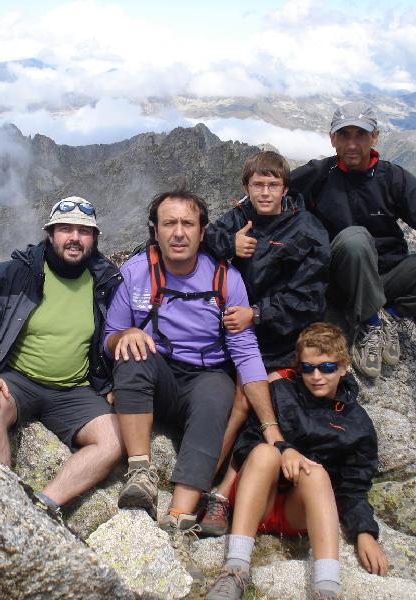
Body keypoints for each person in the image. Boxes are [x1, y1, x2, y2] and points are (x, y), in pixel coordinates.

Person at [104, 189, 282, 577]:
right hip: (158, 371)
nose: (179, 232)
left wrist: (270, 425)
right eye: (169, 223)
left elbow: (246, 353)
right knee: (133, 350)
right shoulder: (137, 272)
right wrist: (124, 337)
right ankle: (140, 473)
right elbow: (111, 334)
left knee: (217, 395)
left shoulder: (225, 279)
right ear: (155, 231)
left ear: (203, 232)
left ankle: (181, 513)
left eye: (188, 223)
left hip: (205, 374)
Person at [0, 197, 124, 517]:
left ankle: (41, 506)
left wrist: (114, 382)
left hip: (75, 389)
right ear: (50, 234)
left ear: (94, 239)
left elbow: (118, 335)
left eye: (84, 231)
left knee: (114, 439)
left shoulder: (106, 284)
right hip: (16, 378)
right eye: (66, 229)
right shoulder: (14, 274)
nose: (75, 238)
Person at [291, 101, 416, 378]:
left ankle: (389, 319)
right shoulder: (317, 176)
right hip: (340, 282)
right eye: (344, 135)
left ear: (374, 137)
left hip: (386, 279)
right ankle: (369, 323)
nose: (352, 144)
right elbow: (266, 195)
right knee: (355, 238)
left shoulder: (392, 178)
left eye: (360, 135)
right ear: (332, 139)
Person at [199, 150, 331, 536]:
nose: (266, 191)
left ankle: (211, 487)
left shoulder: (306, 230)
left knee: (247, 399)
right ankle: (208, 483)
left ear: (285, 187)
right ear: (246, 188)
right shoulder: (240, 218)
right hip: (234, 336)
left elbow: (308, 299)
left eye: (273, 184)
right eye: (258, 184)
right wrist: (230, 246)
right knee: (232, 396)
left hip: (278, 340)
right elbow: (201, 236)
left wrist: (256, 313)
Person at [206, 322, 387, 600]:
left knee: (317, 473)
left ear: (343, 367)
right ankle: (235, 570)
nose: (316, 376)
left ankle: (327, 588)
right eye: (307, 368)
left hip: (299, 510)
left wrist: (365, 532)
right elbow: (245, 444)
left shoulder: (357, 424)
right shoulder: (280, 392)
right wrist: (283, 450)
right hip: (256, 500)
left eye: (326, 368)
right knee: (266, 452)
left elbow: (354, 487)